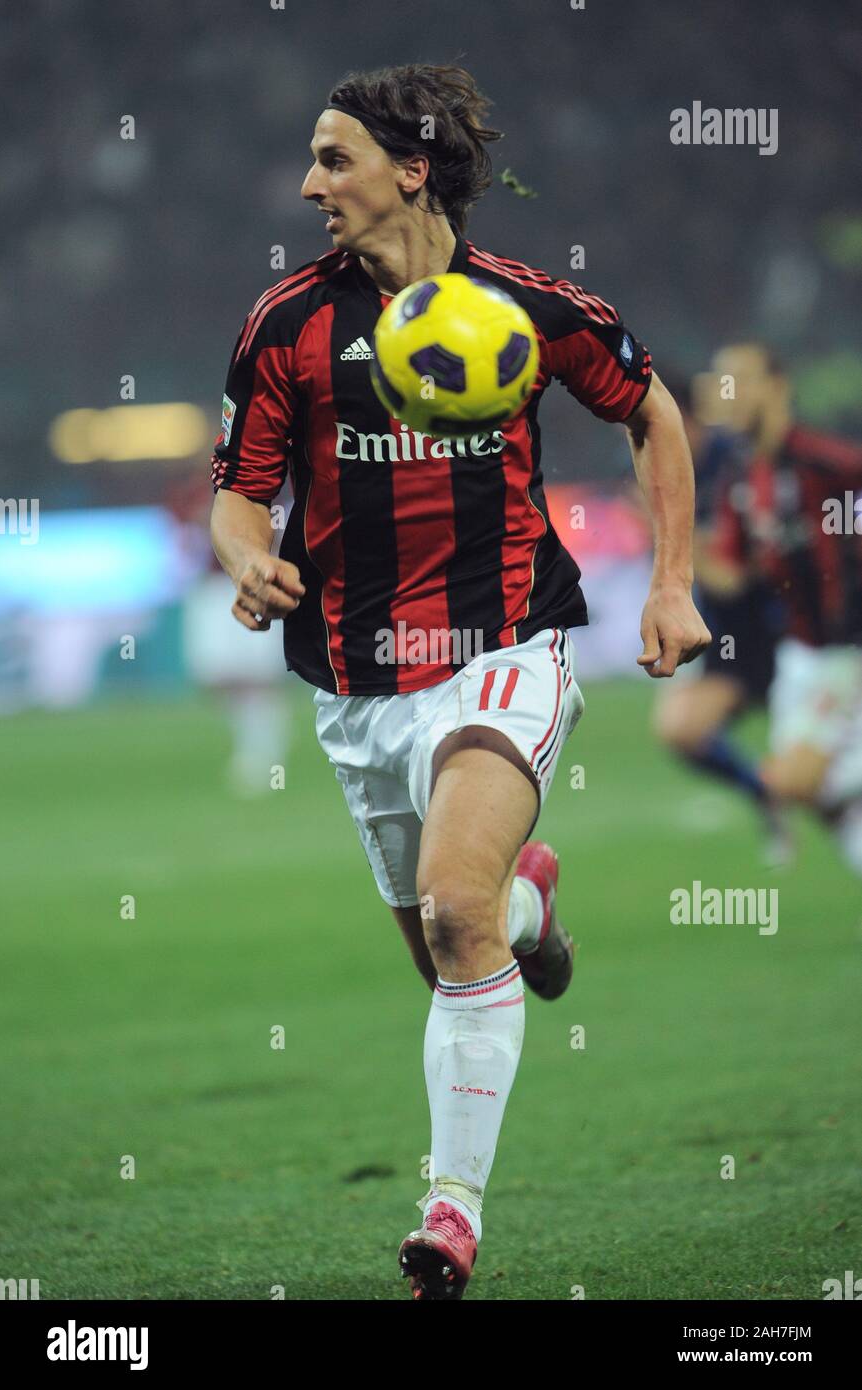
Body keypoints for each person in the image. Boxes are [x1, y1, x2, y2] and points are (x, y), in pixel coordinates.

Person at [209, 63, 709, 1300]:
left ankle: (450, 1214)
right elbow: (237, 494)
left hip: (504, 648)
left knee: (448, 906)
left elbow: (652, 411)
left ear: (410, 169)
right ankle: (530, 913)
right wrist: (249, 558)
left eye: (334, 159)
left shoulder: (527, 309)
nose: (310, 183)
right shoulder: (285, 326)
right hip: (355, 688)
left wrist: (668, 584)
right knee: (462, 945)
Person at [709, 343, 862, 877]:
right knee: (816, 796)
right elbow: (731, 575)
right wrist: (670, 540)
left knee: (790, 782)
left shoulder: (833, 465)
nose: (727, 394)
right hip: (801, 654)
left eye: (739, 381)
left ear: (777, 387)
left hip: (847, 650)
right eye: (722, 381)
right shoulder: (743, 478)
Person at [652, 373, 789, 863]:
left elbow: (735, 573)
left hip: (780, 630)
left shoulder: (735, 463)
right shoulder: (668, 469)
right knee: (679, 728)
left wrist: (667, 530)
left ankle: (780, 792)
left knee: (821, 767)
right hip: (728, 635)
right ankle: (767, 794)